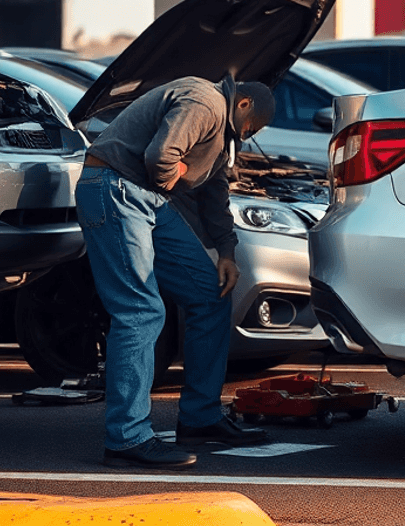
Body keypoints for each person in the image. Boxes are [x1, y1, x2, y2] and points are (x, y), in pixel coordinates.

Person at [76, 75, 277, 468]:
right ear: (244, 103)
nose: (252, 135)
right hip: (115, 188)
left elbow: (215, 196)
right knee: (140, 310)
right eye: (254, 126)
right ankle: (126, 438)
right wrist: (177, 173)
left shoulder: (223, 136)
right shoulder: (206, 102)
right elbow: (160, 157)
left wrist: (226, 252)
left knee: (209, 294)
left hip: (144, 197)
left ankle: (200, 419)